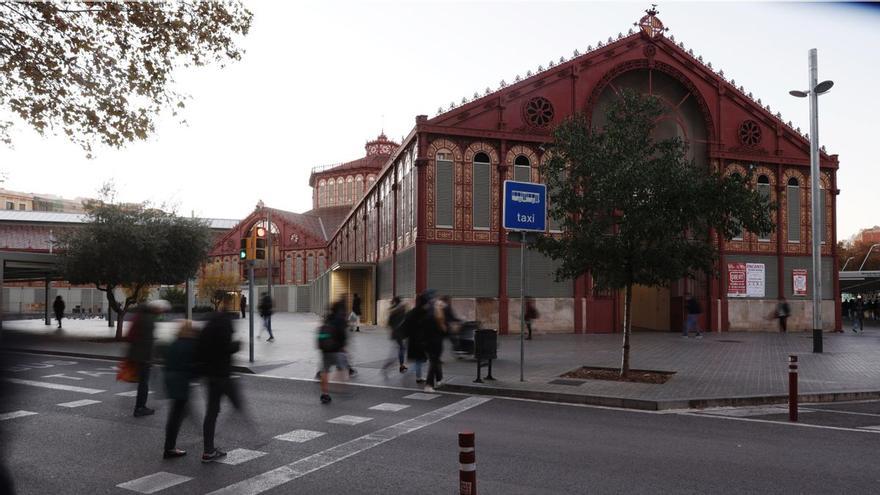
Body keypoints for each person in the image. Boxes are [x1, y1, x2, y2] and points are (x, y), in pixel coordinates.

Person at [197, 305, 244, 462]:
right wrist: (236, 346)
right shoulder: (224, 326)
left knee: (211, 412)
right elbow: (225, 348)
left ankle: (208, 450)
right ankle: (250, 428)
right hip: (222, 374)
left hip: (209, 376)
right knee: (235, 404)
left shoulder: (208, 327)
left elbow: (201, 349)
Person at [163, 320, 198, 459]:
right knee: (177, 415)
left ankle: (169, 446)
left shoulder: (175, 342)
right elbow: (192, 366)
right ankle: (169, 448)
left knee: (177, 412)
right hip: (181, 383)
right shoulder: (189, 345)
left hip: (171, 381)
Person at [128, 299, 170, 417]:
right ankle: (140, 408)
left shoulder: (143, 315)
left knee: (143, 382)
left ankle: (140, 406)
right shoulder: (148, 319)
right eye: (161, 309)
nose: (162, 312)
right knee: (143, 383)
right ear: (156, 308)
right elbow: (147, 341)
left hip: (139, 354)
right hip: (143, 356)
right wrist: (151, 357)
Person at [318, 300, 349, 404]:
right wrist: (343, 346)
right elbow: (342, 335)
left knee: (325, 371)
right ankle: (337, 385)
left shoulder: (328, 317)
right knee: (343, 369)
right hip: (335, 349)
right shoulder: (340, 319)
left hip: (325, 349)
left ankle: (324, 393)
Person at [401, 293, 429, 384]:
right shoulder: (423, 313)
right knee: (419, 359)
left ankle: (418, 377)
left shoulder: (412, 312)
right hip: (419, 340)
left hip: (413, 339)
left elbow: (405, 325)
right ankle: (411, 374)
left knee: (419, 360)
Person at [422, 290, 447, 391]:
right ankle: (429, 385)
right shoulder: (436, 306)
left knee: (435, 359)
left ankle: (439, 379)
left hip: (425, 339)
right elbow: (440, 318)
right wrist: (443, 327)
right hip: (434, 338)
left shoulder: (424, 308)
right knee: (434, 360)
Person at [382, 297, 408, 375]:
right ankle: (388, 366)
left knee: (400, 348)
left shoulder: (392, 311)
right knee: (399, 350)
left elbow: (388, 324)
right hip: (399, 334)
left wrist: (391, 331)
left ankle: (401, 365)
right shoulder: (401, 310)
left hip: (396, 333)